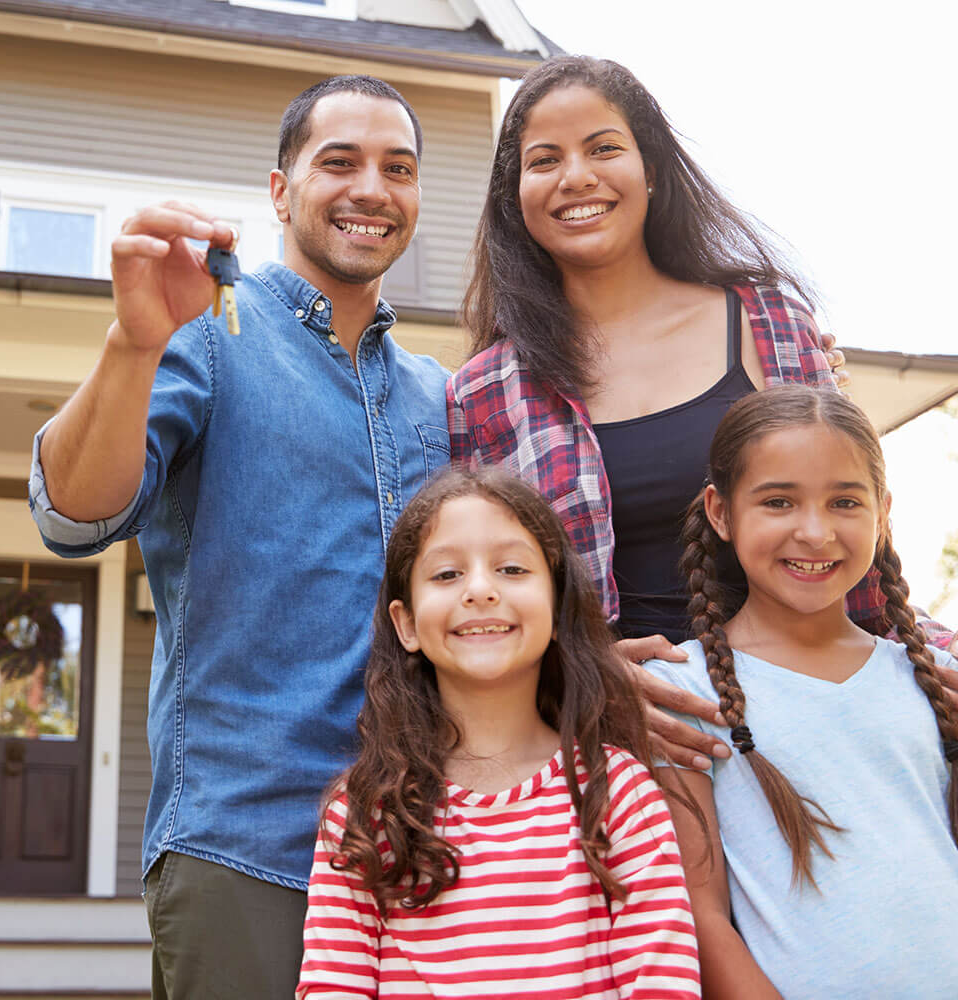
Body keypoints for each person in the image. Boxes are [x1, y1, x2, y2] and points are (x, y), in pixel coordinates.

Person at [28, 76, 449, 997]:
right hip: (248, 850)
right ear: (280, 189)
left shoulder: (436, 394)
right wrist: (134, 344)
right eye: (338, 161)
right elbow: (72, 514)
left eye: (399, 168)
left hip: (425, 853)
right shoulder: (207, 334)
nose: (371, 187)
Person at [447, 54, 955, 773]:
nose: (576, 176)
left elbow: (849, 522)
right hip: (620, 747)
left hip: (806, 717)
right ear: (516, 196)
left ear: (650, 169)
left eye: (603, 148)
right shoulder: (484, 391)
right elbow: (482, 593)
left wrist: (923, 653)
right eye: (544, 160)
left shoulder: (769, 319)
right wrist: (580, 677)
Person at [296, 466, 701, 999]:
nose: (481, 590)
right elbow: (333, 987)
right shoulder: (367, 808)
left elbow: (662, 985)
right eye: (446, 575)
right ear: (407, 623)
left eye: (511, 569)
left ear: (557, 607)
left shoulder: (619, 792)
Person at [642, 385, 958, 1000]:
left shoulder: (928, 677)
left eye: (844, 501)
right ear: (721, 512)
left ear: (882, 512)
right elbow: (700, 917)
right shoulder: (681, 694)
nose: (814, 533)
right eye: (779, 502)